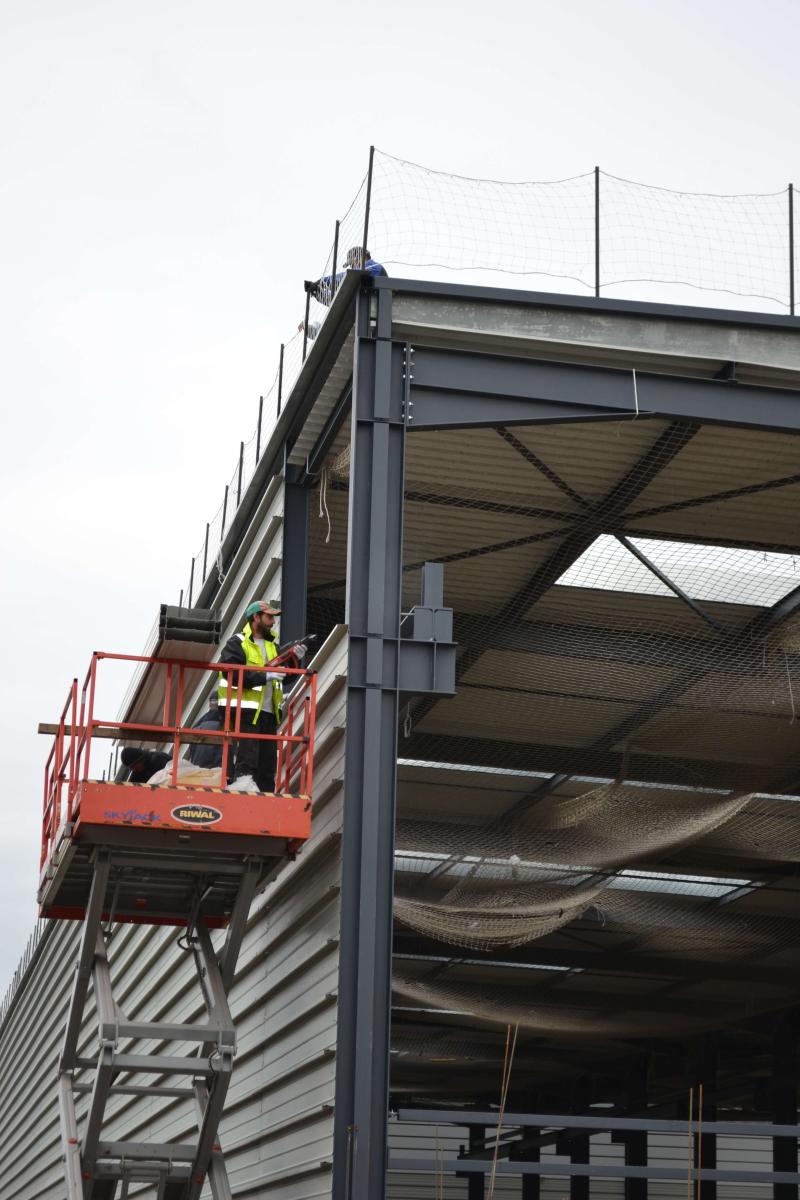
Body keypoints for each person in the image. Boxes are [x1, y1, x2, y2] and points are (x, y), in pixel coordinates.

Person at [218, 600, 285, 794]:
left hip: (270, 713)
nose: (273, 622)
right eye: (269, 617)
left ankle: (266, 799)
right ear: (256, 617)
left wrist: (295, 657)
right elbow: (232, 674)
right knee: (247, 760)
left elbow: (284, 677)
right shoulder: (237, 642)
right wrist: (264, 675)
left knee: (267, 763)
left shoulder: (273, 646)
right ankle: (243, 793)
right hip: (246, 712)